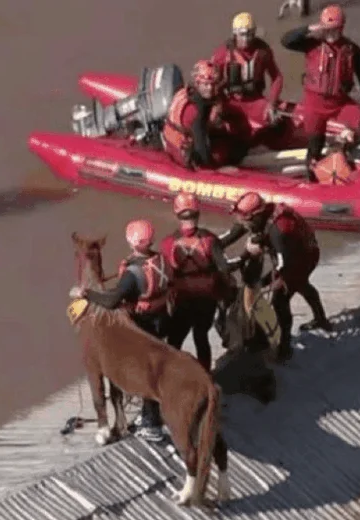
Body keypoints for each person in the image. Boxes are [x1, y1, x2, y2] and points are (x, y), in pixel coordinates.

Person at [76, 219, 172, 443]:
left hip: (141, 325)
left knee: (144, 373)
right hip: (161, 320)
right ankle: (148, 416)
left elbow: (111, 301)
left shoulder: (133, 272)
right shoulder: (160, 260)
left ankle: (151, 424)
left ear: (131, 242)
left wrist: (87, 294)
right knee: (153, 369)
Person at [220, 192, 332, 361]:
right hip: (290, 252)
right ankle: (321, 319)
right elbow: (229, 236)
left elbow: (284, 265)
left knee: (280, 301)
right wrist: (207, 247)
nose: (241, 222)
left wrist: (269, 285)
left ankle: (285, 347)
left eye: (245, 219)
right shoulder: (257, 218)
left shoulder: (278, 231)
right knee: (302, 286)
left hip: (301, 257)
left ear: (256, 216)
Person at [280, 5, 360, 179]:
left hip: (339, 103)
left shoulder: (352, 50)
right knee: (314, 148)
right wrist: (310, 28)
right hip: (314, 104)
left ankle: (346, 156)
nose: (330, 34)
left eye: (335, 30)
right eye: (327, 29)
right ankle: (314, 181)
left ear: (342, 28)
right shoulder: (311, 43)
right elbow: (286, 40)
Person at [160, 193, 235, 371]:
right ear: (198, 213)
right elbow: (224, 269)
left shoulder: (168, 242)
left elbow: (164, 273)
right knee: (201, 338)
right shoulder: (210, 240)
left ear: (176, 214)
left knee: (174, 341)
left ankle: (172, 376)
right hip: (206, 300)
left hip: (182, 300)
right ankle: (205, 376)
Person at [210, 12, 286, 148]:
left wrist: (272, 103)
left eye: (250, 34)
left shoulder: (263, 52)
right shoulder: (222, 53)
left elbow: (277, 77)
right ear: (235, 34)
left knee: (275, 121)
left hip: (254, 101)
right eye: (242, 34)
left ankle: (264, 144)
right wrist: (217, 104)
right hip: (229, 101)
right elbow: (211, 81)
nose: (246, 39)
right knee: (215, 123)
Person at [161, 60, 249, 170]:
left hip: (196, 132)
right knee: (215, 157)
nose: (210, 89)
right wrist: (210, 168)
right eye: (206, 85)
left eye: (213, 85)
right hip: (179, 142)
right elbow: (200, 143)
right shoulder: (193, 111)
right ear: (198, 83)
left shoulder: (205, 97)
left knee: (235, 145)